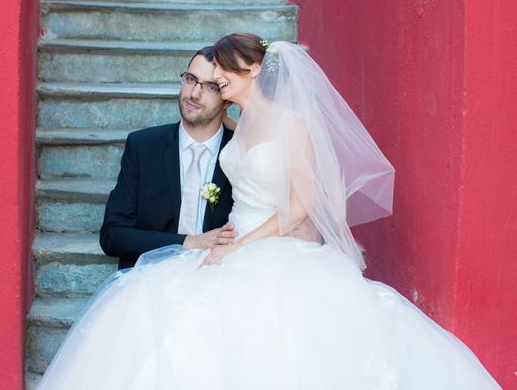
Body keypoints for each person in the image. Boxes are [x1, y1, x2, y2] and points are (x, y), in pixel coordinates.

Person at [37, 34, 500, 389]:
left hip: (266, 246)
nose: (211, 85)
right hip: (233, 244)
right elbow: (118, 231)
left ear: (254, 69)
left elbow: (303, 204)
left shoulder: (290, 124)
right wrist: (211, 243)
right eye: (197, 79)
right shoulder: (236, 131)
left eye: (220, 78)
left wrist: (244, 242)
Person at [100, 46, 236, 269]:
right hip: (153, 277)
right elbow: (112, 235)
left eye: (211, 87)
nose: (193, 93)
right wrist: (187, 242)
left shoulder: (242, 155)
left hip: (220, 278)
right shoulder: (143, 146)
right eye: (190, 79)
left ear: (228, 99)